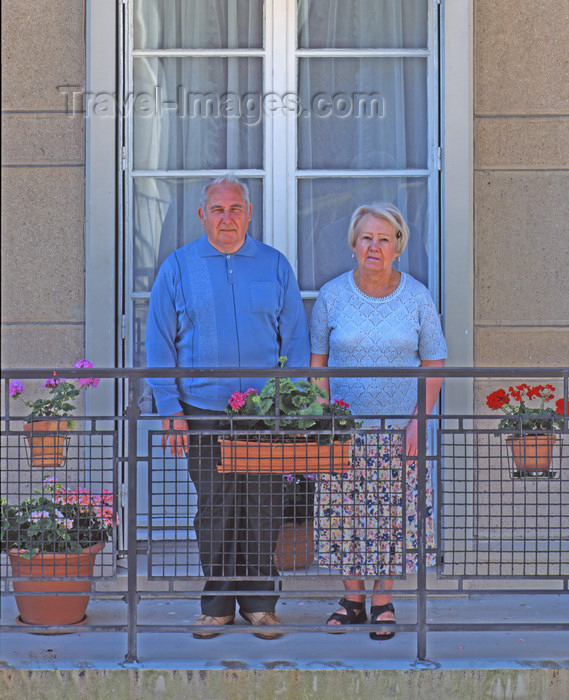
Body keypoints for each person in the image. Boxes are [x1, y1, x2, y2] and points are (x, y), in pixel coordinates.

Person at [145, 174, 309, 639]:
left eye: (235, 208)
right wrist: (170, 409)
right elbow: (159, 343)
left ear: (249, 213)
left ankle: (260, 605)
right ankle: (216, 604)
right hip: (203, 410)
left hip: (264, 414)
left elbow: (296, 342)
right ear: (202, 216)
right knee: (215, 507)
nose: (227, 218)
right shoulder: (178, 268)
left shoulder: (274, 266)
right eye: (217, 210)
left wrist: (291, 409)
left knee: (264, 504)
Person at [309, 203, 446, 640]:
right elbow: (318, 367)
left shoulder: (418, 297)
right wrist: (325, 425)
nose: (374, 246)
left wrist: (417, 422)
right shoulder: (331, 296)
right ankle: (352, 600)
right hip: (345, 431)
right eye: (366, 237)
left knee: (393, 514)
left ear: (397, 248)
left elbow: (434, 363)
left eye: (384, 239)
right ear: (353, 244)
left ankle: (383, 601)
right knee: (345, 514)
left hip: (398, 430)